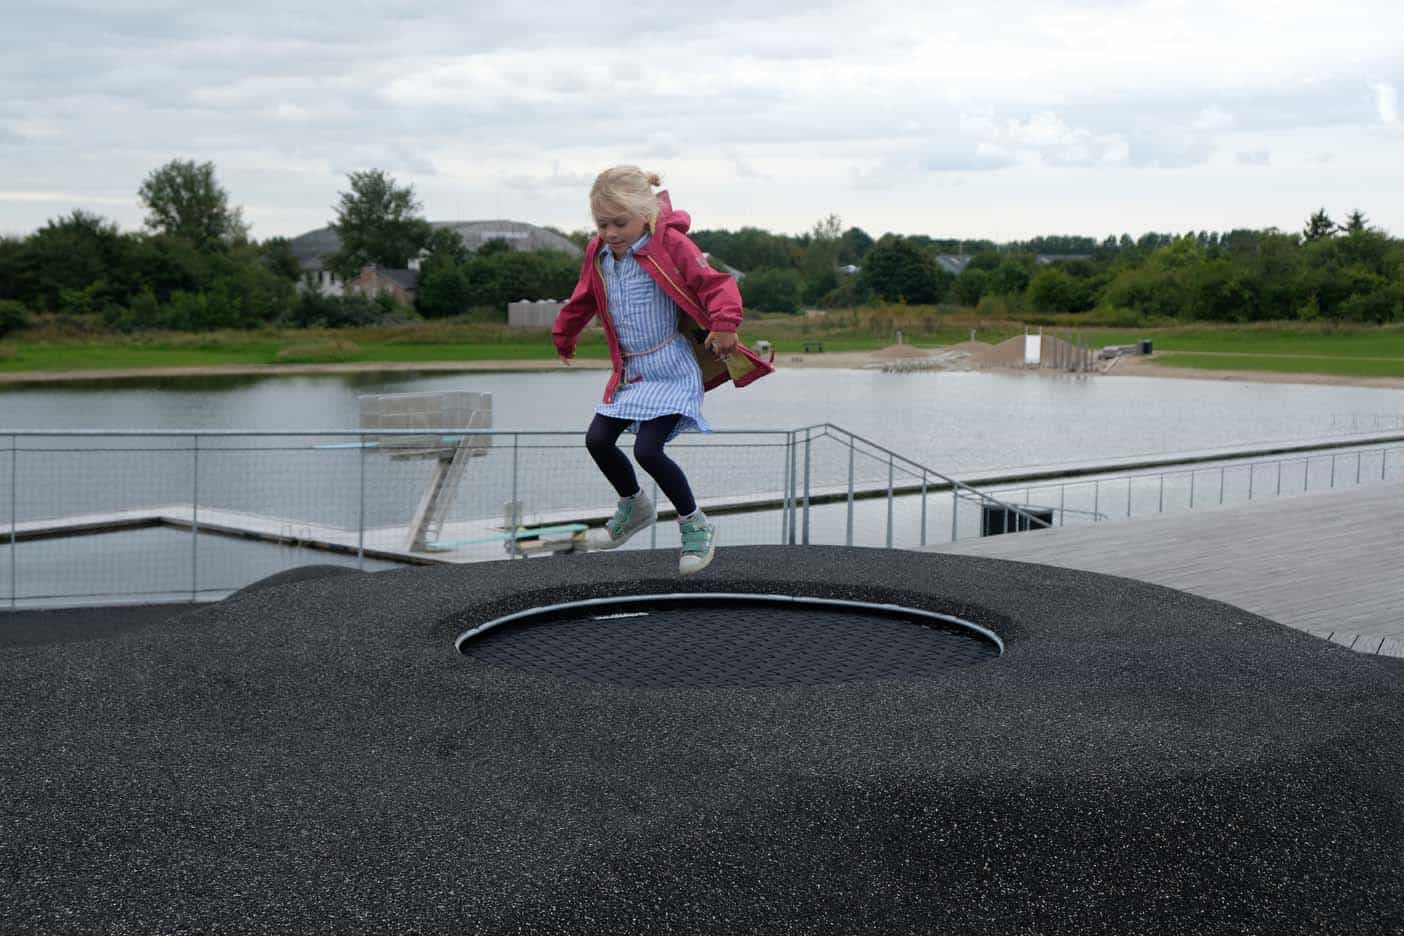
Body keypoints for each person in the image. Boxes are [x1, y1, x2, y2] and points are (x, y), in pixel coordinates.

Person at [552, 166, 774, 575]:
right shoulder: (598, 254)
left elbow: (714, 283)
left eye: (621, 223)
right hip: (632, 372)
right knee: (597, 439)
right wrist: (564, 334)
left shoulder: (669, 243)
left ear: (646, 214)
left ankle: (695, 526)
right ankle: (634, 507)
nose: (612, 232)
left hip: (671, 367)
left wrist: (725, 323)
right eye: (603, 224)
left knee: (647, 450)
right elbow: (583, 297)